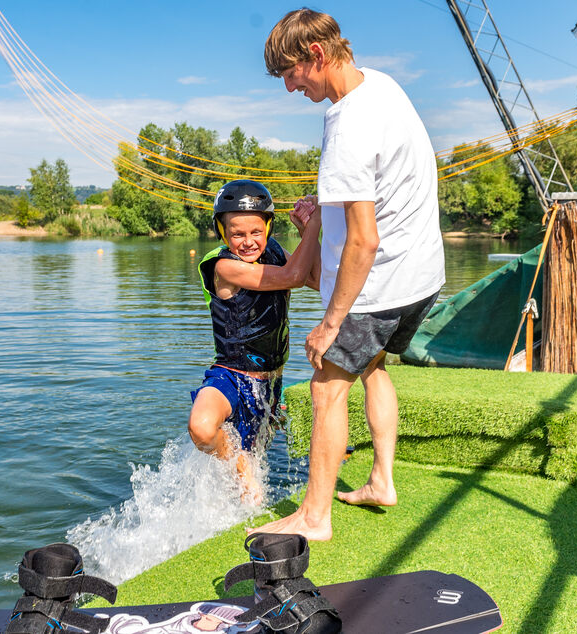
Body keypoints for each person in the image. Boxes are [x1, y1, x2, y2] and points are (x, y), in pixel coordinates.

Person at [250, 8, 445, 540]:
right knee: (374, 365)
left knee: (325, 388)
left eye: (291, 74)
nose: (291, 88)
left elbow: (364, 239)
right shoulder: (380, 86)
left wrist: (332, 321)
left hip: (379, 281)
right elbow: (376, 196)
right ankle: (381, 480)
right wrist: (323, 213)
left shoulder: (347, 123)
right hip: (421, 273)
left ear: (315, 55)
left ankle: (314, 517)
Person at [189, 179, 321, 502]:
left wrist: (307, 234)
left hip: (269, 389)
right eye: (237, 234)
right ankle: (240, 466)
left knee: (249, 497)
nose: (247, 242)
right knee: (203, 427)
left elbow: (314, 279)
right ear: (223, 233)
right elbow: (293, 277)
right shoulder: (224, 267)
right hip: (231, 377)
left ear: (269, 227)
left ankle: (240, 505)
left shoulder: (275, 252)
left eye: (255, 232)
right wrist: (317, 221)